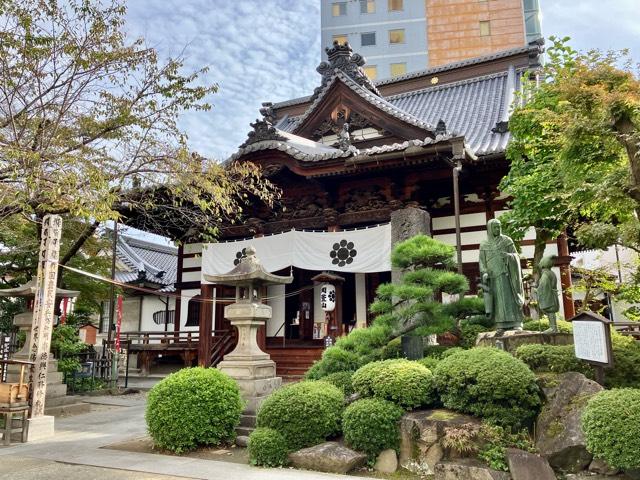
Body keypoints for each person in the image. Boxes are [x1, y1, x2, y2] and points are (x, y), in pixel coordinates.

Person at [479, 219, 525, 334]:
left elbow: (516, 256)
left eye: (499, 227)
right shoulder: (484, 244)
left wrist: (509, 257)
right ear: (489, 228)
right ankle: (500, 324)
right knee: (498, 301)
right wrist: (484, 272)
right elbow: (482, 261)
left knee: (510, 299)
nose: (497, 229)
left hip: (507, 275)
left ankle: (516, 322)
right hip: (493, 277)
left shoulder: (507, 240)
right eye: (495, 227)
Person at [536, 255, 560, 333]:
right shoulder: (551, 273)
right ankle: (553, 327)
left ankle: (553, 328)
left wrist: (537, 290)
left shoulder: (545, 274)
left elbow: (544, 286)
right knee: (551, 313)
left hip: (550, 297)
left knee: (550, 312)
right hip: (553, 295)